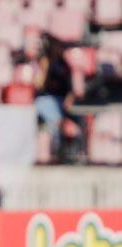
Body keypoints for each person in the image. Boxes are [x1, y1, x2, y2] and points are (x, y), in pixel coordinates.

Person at [33, 34, 75, 163]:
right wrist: (45, 68)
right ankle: (55, 154)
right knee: (57, 122)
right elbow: (39, 85)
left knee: (74, 123)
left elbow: (69, 86)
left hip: (61, 100)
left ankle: (66, 153)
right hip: (46, 99)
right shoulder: (42, 62)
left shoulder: (64, 64)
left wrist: (69, 98)